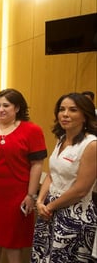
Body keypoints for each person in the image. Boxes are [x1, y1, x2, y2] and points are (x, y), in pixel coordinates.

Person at [0, 88, 47, 263]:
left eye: (6, 105)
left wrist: (31, 195)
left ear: (17, 108)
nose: (1, 109)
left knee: (14, 238)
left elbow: (37, 165)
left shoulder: (32, 130)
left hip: (17, 194)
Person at [31, 92, 97, 262]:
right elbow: (52, 173)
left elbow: (80, 190)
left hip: (73, 214)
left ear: (85, 116)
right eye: (62, 109)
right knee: (44, 255)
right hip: (48, 209)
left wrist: (50, 206)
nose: (65, 114)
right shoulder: (62, 139)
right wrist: (40, 201)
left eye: (73, 110)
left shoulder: (91, 145)